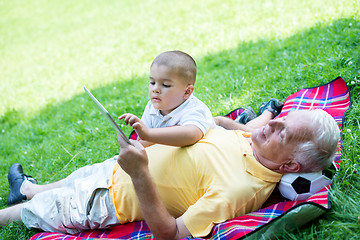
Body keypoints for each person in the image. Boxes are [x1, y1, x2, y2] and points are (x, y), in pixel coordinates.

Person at [0, 109, 340, 240]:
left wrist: (140, 174)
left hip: (107, 200)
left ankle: (16, 207)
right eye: (280, 118)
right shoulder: (255, 140)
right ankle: (29, 188)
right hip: (118, 168)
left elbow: (170, 234)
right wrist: (258, 117)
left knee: (29, 213)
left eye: (284, 131)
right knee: (72, 179)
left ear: (291, 167)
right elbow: (228, 126)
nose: (273, 124)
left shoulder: (239, 190)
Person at [119, 50, 215, 147]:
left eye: (165, 85)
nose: (155, 89)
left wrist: (148, 133)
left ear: (187, 92)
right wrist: (136, 143)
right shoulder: (151, 108)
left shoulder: (194, 109)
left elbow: (192, 134)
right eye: (152, 82)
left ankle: (220, 122)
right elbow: (144, 141)